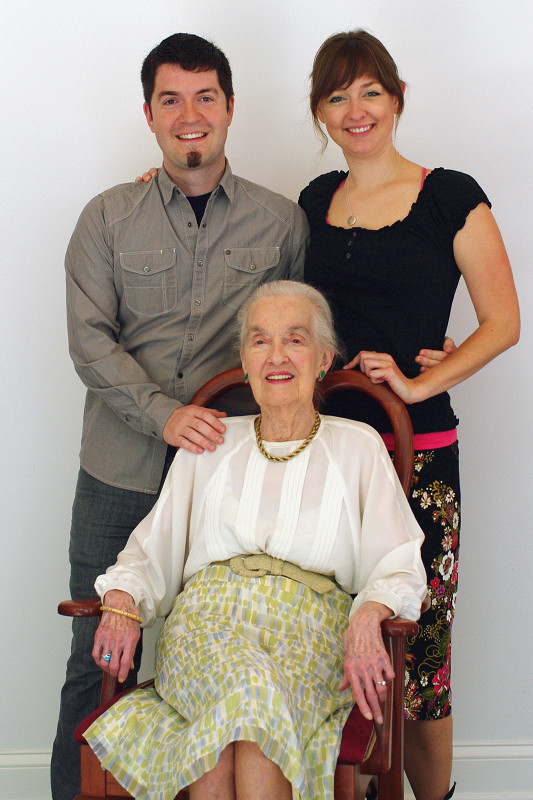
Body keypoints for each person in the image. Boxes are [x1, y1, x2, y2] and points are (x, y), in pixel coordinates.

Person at [52, 33, 309, 800]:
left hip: (230, 481)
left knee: (223, 654)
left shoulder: (280, 223)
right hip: (119, 473)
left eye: (205, 97)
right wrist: (164, 416)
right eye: (171, 99)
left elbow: (291, 347)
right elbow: (87, 340)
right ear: (149, 113)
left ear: (230, 108)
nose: (189, 115)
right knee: (94, 659)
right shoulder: (106, 217)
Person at [83, 280, 427, 800]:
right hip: (206, 630)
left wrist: (367, 615)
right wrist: (122, 599)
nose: (277, 356)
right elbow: (150, 551)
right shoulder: (211, 443)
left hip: (309, 639)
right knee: (246, 695)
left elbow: (399, 562)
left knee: (235, 726)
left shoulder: (357, 447)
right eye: (259, 340)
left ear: (324, 358)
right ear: (243, 361)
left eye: (295, 339)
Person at [298, 30, 520, 800]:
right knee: (333, 642)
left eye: (368, 92)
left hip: (418, 459)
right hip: (325, 459)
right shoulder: (311, 203)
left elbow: (502, 321)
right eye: (336, 96)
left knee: (420, 649)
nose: (354, 110)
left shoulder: (450, 195)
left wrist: (422, 384)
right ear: (319, 112)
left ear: (395, 98)